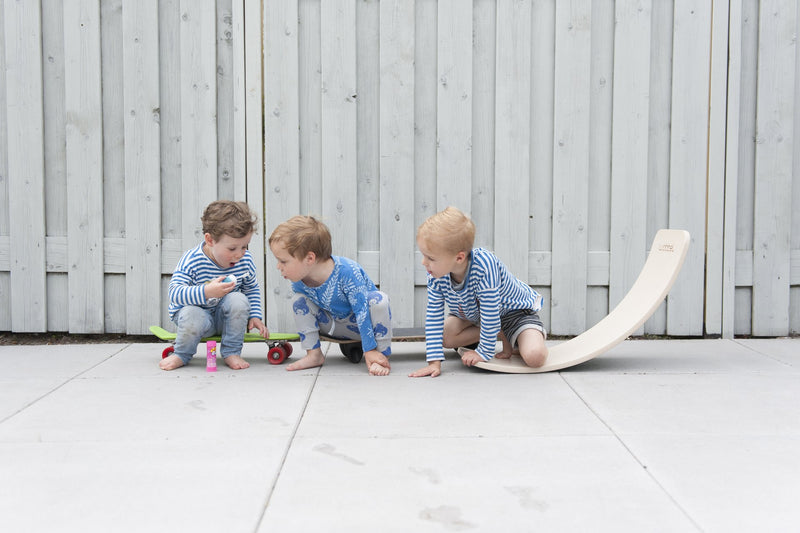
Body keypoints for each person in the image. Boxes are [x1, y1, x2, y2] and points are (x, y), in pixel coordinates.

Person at [409, 206, 548, 378]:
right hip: (477, 317)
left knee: (536, 357)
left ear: (459, 258)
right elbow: (433, 315)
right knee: (445, 337)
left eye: (430, 258)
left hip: (515, 314)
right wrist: (434, 362)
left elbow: (490, 312)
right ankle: (499, 332)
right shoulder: (436, 273)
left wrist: (482, 352)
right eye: (424, 255)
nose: (424, 262)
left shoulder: (484, 266)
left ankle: (520, 334)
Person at [268, 215, 392, 376]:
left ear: (309, 258)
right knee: (299, 301)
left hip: (363, 325)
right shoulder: (299, 280)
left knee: (379, 300)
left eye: (283, 261)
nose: (279, 267)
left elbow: (362, 312)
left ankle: (380, 357)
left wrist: (369, 350)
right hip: (333, 326)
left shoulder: (347, 272)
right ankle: (314, 355)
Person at [160, 200, 269, 371]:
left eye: (244, 246)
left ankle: (232, 352)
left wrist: (255, 315)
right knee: (191, 313)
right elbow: (174, 293)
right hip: (197, 319)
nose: (239, 254)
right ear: (210, 240)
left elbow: (251, 288)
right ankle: (181, 354)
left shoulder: (245, 260)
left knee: (238, 299)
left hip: (225, 320)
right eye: (232, 248)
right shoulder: (192, 260)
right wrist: (206, 291)